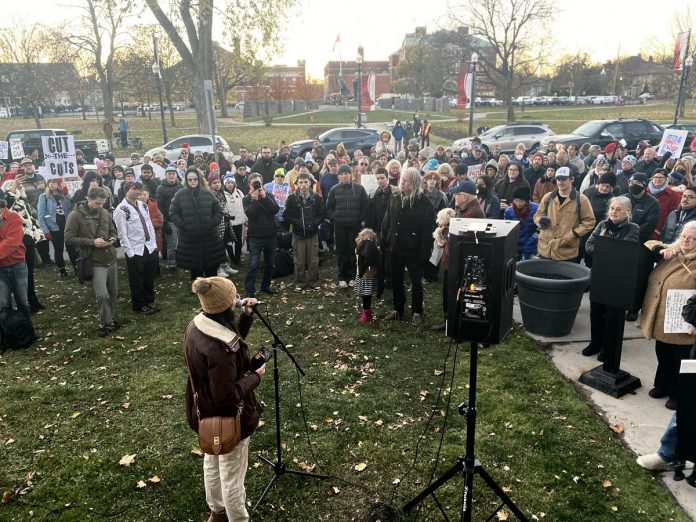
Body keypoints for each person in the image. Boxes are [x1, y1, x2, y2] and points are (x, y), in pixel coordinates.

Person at [185, 277, 265, 522]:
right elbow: (227, 397)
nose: (238, 298)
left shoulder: (198, 325)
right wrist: (255, 377)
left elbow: (228, 340)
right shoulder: (219, 350)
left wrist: (246, 318)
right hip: (227, 418)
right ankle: (238, 519)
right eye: (235, 297)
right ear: (226, 306)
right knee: (232, 475)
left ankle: (217, 512)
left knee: (212, 460)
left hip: (204, 411)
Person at [641, 221, 696, 410]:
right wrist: (660, 251)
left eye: (692, 238)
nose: (686, 240)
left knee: (681, 359)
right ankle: (662, 385)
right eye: (684, 236)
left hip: (686, 323)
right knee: (663, 353)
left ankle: (678, 393)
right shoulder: (673, 251)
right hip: (665, 318)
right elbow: (648, 243)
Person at [582, 197, 640, 360]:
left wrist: (604, 249)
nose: (614, 212)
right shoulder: (602, 225)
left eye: (618, 209)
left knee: (612, 316)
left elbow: (624, 251)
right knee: (596, 313)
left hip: (617, 280)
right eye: (612, 208)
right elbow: (589, 246)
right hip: (599, 275)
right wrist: (608, 250)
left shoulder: (632, 228)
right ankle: (595, 343)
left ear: (627, 212)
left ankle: (608, 347)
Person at [382, 168, 436, 325]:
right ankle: (398, 309)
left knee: (416, 282)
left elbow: (428, 230)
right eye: (401, 180)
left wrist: (425, 253)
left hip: (414, 249)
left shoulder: (424, 203)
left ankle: (417, 312)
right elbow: (388, 221)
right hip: (395, 246)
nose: (401, 183)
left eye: (405, 181)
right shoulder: (395, 197)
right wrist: (385, 240)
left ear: (414, 184)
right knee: (396, 280)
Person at [64, 187, 120, 337]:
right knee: (102, 295)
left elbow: (113, 231)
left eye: (103, 203)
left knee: (113, 292)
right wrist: (92, 242)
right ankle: (106, 323)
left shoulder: (105, 213)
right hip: (93, 260)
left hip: (110, 257)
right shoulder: (75, 215)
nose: (100, 206)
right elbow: (68, 238)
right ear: (88, 199)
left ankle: (111, 319)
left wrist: (112, 240)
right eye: (97, 203)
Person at [170, 168, 227, 282]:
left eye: (195, 179)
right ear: (186, 180)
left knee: (211, 269)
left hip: (209, 237)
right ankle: (199, 290)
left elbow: (218, 211)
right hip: (190, 238)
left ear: (199, 179)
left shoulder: (207, 193)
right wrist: (184, 225)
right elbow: (173, 213)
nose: (192, 182)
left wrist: (212, 223)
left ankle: (212, 291)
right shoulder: (180, 195)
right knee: (195, 268)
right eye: (190, 179)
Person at [113, 181, 160, 315]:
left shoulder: (143, 205)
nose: (138, 192)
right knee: (137, 279)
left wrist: (154, 244)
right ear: (126, 190)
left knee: (149, 276)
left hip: (148, 246)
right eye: (134, 189)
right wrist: (130, 252)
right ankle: (139, 304)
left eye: (139, 189)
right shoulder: (121, 210)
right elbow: (122, 234)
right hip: (135, 249)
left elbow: (149, 225)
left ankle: (149, 300)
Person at [534, 167, 596, 261]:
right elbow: (538, 215)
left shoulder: (581, 199)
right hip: (546, 249)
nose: (560, 182)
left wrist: (574, 233)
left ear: (571, 179)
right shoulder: (548, 197)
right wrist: (540, 221)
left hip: (566, 251)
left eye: (564, 179)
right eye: (558, 179)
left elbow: (589, 221)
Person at [2, 179, 45, 313]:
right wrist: (12, 190)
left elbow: (30, 217)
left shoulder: (22, 200)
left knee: (29, 273)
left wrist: (37, 232)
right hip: (15, 242)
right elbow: (6, 203)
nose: (18, 187)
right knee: (20, 276)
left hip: (28, 238)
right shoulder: (9, 202)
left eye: (19, 186)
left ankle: (32, 300)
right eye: (14, 186)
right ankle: (27, 303)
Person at [0, 198, 38, 342]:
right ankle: (7, 335)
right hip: (1, 268)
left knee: (23, 301)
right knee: (4, 304)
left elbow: (11, 242)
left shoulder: (14, 218)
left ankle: (28, 333)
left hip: (17, 265)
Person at [326, 164, 369, 288]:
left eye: (346, 173)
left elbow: (365, 206)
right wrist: (334, 217)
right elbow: (328, 206)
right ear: (339, 176)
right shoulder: (334, 189)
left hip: (354, 226)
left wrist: (359, 218)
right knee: (341, 251)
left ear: (350, 174)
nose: (344, 176)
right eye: (341, 174)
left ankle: (352, 276)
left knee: (353, 250)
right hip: (340, 227)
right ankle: (342, 277)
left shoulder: (359, 189)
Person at [283, 171, 325, 291]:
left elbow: (322, 214)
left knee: (313, 259)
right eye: (300, 182)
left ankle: (314, 281)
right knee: (299, 260)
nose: (303, 185)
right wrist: (297, 223)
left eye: (306, 182)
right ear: (297, 184)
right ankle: (299, 282)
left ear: (310, 183)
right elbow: (286, 215)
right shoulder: (291, 198)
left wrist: (314, 223)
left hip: (313, 234)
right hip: (298, 234)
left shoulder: (317, 198)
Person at [242, 173, 280, 297]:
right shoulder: (247, 199)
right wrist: (254, 199)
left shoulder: (269, 195)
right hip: (255, 236)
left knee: (270, 263)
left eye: (259, 182)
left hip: (271, 234)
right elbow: (251, 215)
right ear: (249, 185)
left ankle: (266, 285)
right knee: (253, 264)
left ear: (262, 183)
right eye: (254, 183)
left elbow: (275, 210)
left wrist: (264, 197)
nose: (257, 185)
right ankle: (250, 290)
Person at [37, 179, 78, 278]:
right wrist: (46, 231)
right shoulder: (44, 197)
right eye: (50, 183)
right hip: (54, 228)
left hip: (67, 226)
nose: (51, 185)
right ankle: (62, 271)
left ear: (59, 184)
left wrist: (67, 194)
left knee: (71, 248)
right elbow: (41, 216)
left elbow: (70, 207)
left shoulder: (64, 196)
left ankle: (77, 269)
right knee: (58, 250)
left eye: (54, 182)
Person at [208, 173, 238, 277]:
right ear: (210, 184)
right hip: (216, 224)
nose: (217, 184)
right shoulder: (209, 194)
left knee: (224, 245)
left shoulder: (221, 192)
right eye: (214, 183)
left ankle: (225, 265)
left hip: (224, 222)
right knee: (217, 246)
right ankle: (218, 268)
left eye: (218, 182)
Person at [156, 166, 183, 274]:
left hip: (180, 219)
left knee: (181, 243)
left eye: (173, 174)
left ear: (176, 175)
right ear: (166, 175)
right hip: (169, 220)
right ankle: (172, 264)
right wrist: (165, 222)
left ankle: (180, 261)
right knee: (172, 244)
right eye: (169, 174)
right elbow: (159, 207)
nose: (171, 176)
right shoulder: (161, 188)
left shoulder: (180, 186)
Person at [504, 185, 539, 260]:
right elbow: (507, 229)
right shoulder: (509, 211)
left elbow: (539, 229)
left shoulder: (536, 209)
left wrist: (533, 239)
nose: (518, 204)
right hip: (515, 244)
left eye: (521, 201)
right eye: (516, 201)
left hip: (530, 244)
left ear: (527, 201)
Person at [354, 228, 380, 323]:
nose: (368, 240)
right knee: (363, 295)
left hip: (369, 277)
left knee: (367, 295)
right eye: (366, 238)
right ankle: (366, 311)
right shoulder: (358, 249)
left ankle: (367, 312)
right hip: (362, 276)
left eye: (370, 238)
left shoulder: (375, 250)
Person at [647, 169, 682, 240]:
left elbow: (673, 216)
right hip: (642, 231)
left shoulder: (674, 195)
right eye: (655, 177)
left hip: (659, 233)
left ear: (666, 179)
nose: (658, 179)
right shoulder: (645, 191)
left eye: (661, 177)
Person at [222, 174, 247, 267]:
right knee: (229, 241)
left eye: (232, 182)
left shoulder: (239, 192)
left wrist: (245, 217)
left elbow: (244, 205)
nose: (230, 184)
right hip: (228, 222)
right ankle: (231, 258)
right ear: (225, 183)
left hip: (239, 220)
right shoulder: (222, 194)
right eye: (228, 182)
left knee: (238, 240)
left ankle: (237, 258)